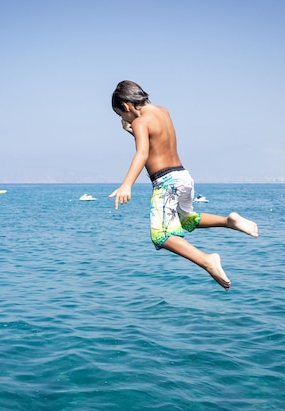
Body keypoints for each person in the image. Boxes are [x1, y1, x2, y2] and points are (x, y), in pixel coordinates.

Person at [109, 80, 258, 290]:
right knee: (185, 220)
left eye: (121, 115)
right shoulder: (162, 111)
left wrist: (127, 184)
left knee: (160, 235)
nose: (124, 120)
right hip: (183, 177)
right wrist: (131, 130)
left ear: (126, 106)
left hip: (166, 182)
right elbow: (156, 142)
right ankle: (229, 221)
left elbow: (142, 153)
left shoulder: (141, 122)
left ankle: (207, 260)